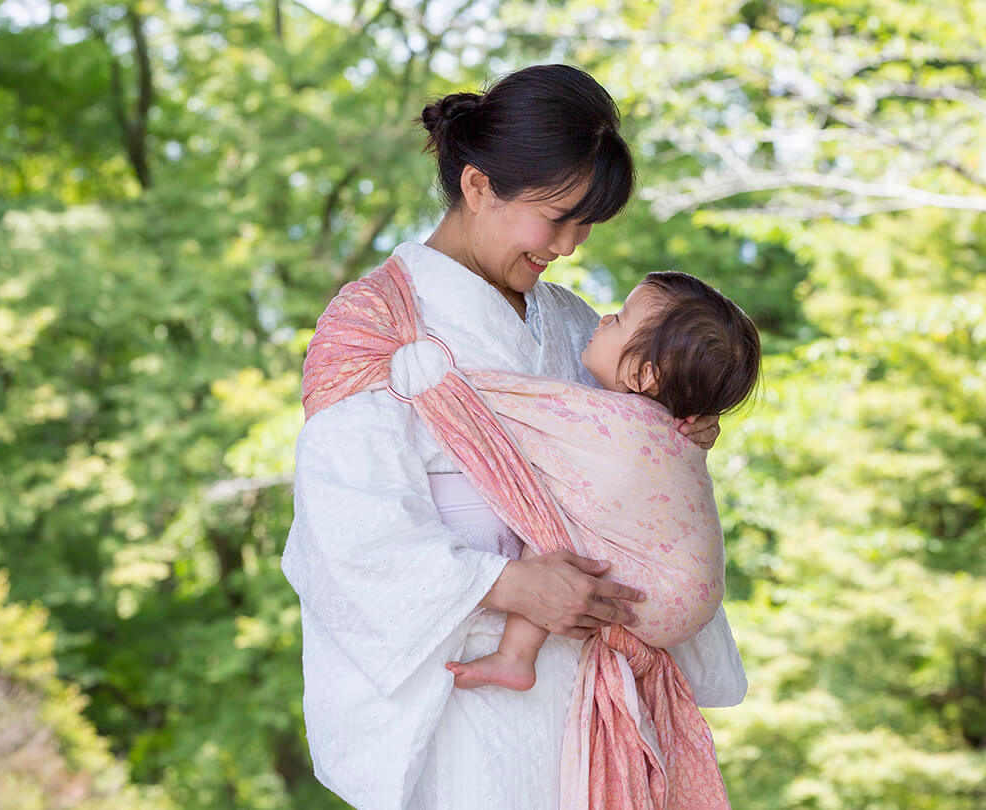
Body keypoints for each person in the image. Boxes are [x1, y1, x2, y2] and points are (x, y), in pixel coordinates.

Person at [281, 64, 747, 810]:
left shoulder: (570, 321)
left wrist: (680, 431)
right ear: (478, 186)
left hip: (593, 689)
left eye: (585, 225)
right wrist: (507, 584)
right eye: (557, 218)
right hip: (469, 690)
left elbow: (631, 471)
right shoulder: (377, 326)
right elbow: (349, 527)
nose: (569, 246)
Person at [445, 270, 762, 692]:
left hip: (662, 591)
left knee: (550, 528)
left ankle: (515, 656)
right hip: (693, 598)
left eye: (619, 319)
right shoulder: (672, 427)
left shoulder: (620, 422)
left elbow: (516, 410)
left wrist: (442, 380)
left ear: (644, 376)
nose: (603, 319)